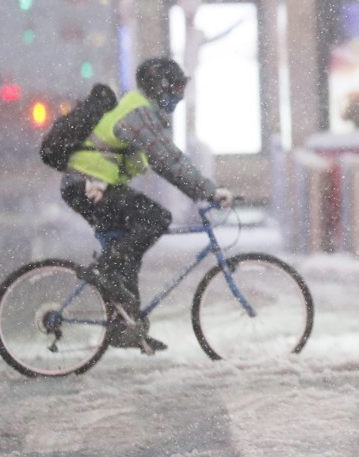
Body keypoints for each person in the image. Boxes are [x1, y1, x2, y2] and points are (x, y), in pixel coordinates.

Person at [60, 57, 233, 353]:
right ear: (160, 86)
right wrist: (208, 190)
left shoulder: (141, 108)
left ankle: (127, 327)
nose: (178, 96)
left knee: (128, 255)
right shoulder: (139, 112)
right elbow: (168, 160)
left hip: (89, 185)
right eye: (176, 88)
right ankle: (106, 270)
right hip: (87, 185)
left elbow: (161, 161)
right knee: (155, 218)